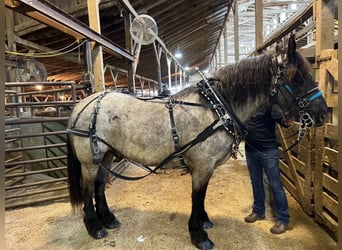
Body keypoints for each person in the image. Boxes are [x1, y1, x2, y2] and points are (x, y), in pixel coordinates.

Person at [244, 102, 292, 234]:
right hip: (250, 150)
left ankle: (283, 219)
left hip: (268, 152)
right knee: (256, 182)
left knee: (276, 185)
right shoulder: (247, 104)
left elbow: (284, 122)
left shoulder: (271, 105)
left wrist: (287, 119)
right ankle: (258, 211)